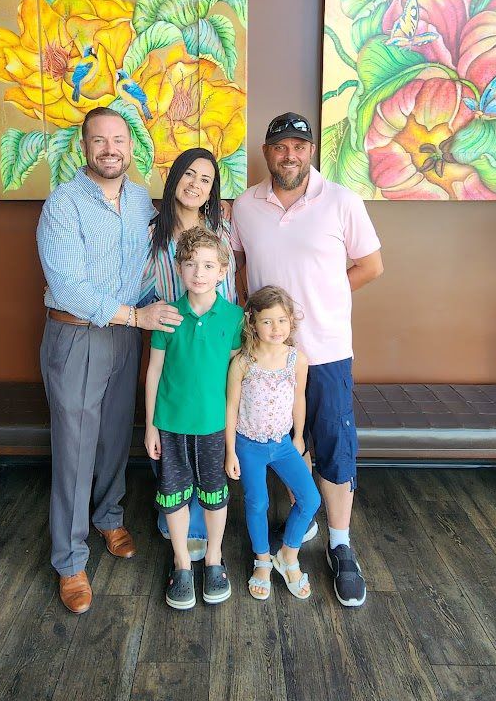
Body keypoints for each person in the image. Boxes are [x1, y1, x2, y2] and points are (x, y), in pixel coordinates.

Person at [230, 112, 383, 608]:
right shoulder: (245, 206)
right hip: (266, 359)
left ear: (311, 151)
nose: (289, 155)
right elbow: (239, 264)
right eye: (280, 147)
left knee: (334, 446)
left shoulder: (342, 201)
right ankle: (300, 522)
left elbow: (371, 265)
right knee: (278, 438)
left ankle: (340, 545)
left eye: (299, 146)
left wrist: (326, 297)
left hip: (326, 351)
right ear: (266, 152)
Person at [37, 106, 182, 615]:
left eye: (118, 140)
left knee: (116, 434)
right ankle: (70, 560)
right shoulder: (63, 204)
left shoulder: (140, 200)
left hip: (125, 336)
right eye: (99, 140)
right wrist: (136, 316)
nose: (110, 149)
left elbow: (158, 258)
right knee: (75, 450)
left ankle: (108, 517)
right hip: (78, 335)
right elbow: (68, 286)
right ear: (84, 147)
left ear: (130, 146)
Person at [140, 147, 238, 560]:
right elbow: (137, 287)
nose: (195, 184)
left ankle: (202, 517)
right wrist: (150, 313)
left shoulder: (221, 228)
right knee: (173, 433)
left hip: (214, 340)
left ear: (213, 190)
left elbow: (231, 288)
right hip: (173, 339)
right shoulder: (152, 233)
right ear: (175, 177)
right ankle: (177, 508)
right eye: (189, 174)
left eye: (206, 179)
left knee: (210, 435)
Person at [144, 226, 243, 610]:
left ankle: (214, 559)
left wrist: (232, 437)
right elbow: (154, 372)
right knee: (173, 497)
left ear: (222, 271)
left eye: (208, 265)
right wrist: (151, 425)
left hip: (214, 426)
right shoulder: (167, 315)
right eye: (190, 264)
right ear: (178, 268)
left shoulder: (233, 318)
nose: (199, 273)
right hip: (170, 425)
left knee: (214, 496)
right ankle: (182, 563)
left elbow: (235, 379)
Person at [225, 286, 321, 600]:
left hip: (282, 444)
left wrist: (298, 436)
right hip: (248, 444)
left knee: (310, 499)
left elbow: (299, 400)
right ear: (253, 323)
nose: (276, 328)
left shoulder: (297, 360)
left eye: (281, 320)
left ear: (291, 321)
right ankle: (263, 560)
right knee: (257, 503)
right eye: (267, 321)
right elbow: (231, 407)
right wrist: (230, 451)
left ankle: (288, 555)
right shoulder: (243, 362)